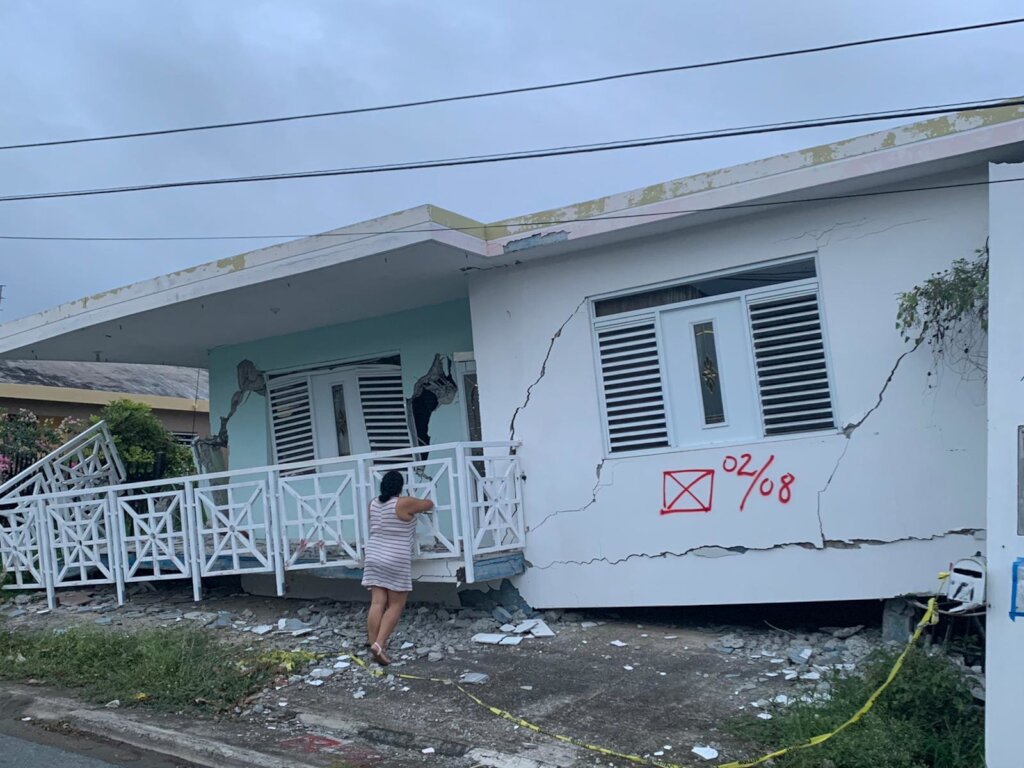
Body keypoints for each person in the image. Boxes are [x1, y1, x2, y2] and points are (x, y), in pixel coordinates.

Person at [362, 470, 434, 665]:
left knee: (377, 602)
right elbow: (428, 504)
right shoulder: (403, 503)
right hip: (395, 557)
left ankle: (373, 644)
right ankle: (379, 644)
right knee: (396, 605)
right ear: (399, 487)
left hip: (374, 554)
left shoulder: (373, 503)